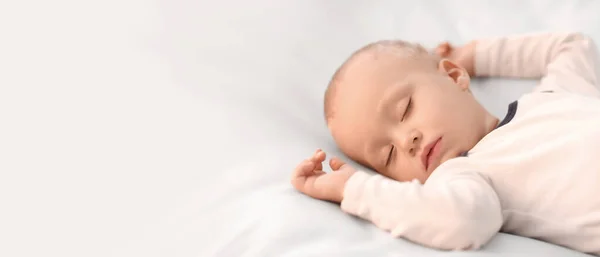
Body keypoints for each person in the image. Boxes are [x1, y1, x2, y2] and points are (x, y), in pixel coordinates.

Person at [290, 32, 600, 255]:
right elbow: (464, 221)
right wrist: (354, 189)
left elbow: (573, 46)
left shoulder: (551, 97)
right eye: (389, 155)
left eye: (405, 109)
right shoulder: (466, 175)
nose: (406, 140)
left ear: (453, 77)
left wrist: (475, 56)